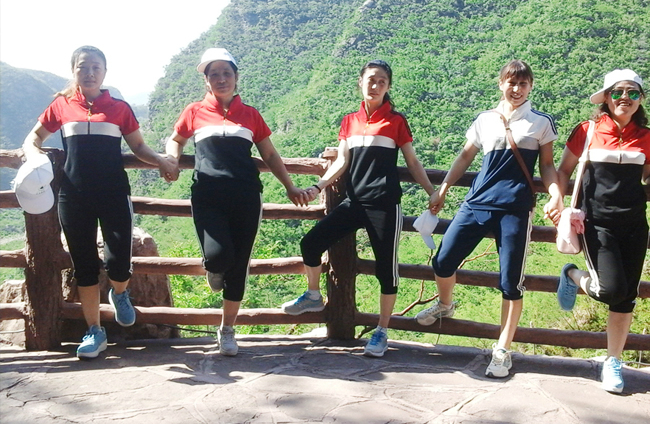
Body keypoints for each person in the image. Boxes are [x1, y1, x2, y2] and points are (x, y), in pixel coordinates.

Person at [22, 45, 178, 359]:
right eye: (83, 67)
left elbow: (138, 147)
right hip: (73, 196)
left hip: (113, 194)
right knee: (84, 266)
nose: (90, 73)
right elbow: (33, 138)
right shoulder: (62, 105)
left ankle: (119, 292)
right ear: (74, 71)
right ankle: (95, 331)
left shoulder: (119, 108)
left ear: (104, 72)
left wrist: (162, 160)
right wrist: (34, 156)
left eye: (96, 67)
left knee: (119, 260)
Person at [416, 59, 562, 378]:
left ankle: (502, 349)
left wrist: (555, 194)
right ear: (501, 84)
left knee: (510, 282)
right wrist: (443, 189)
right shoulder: (485, 119)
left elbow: (547, 166)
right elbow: (465, 156)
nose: (517, 89)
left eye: (523, 83)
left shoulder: (540, 122)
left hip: (515, 208)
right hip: (477, 202)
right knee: (443, 260)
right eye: (512, 82)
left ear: (530, 87)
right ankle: (446, 304)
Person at [281, 60, 435, 358]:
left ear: (388, 87)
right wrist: (318, 187)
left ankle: (382, 331)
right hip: (354, 203)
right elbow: (342, 161)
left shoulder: (396, 121)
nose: (375, 85)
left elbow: (412, 161)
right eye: (371, 80)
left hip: (385, 204)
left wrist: (432, 192)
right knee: (310, 243)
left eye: (381, 81)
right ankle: (313, 295)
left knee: (386, 269)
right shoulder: (349, 121)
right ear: (360, 82)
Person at [552, 69, 650, 393]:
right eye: (617, 92)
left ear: (640, 99)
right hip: (596, 223)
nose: (625, 98)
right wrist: (555, 197)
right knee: (610, 290)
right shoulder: (587, 130)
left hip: (634, 224)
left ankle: (613, 362)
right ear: (606, 98)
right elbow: (563, 170)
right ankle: (572, 274)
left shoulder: (645, 135)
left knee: (627, 296)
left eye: (632, 92)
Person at [165, 48, 308, 356]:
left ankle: (227, 329)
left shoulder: (251, 114)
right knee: (219, 257)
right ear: (206, 80)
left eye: (226, 73)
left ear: (236, 77)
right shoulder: (194, 111)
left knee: (239, 264)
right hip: (207, 196)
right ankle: (214, 267)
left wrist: (290, 186)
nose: (221, 79)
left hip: (246, 197)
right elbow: (176, 140)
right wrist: (173, 161)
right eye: (214, 74)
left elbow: (269, 154)